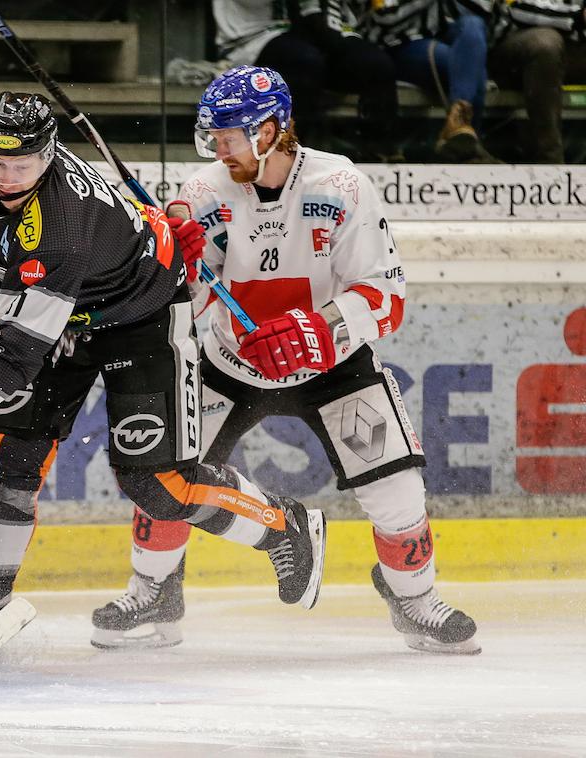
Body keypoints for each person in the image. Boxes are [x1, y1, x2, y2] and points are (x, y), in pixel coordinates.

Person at [95, 65, 480, 655]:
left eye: (229, 136)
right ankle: (155, 591)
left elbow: (387, 295)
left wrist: (315, 330)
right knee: (170, 478)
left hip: (333, 365)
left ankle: (415, 599)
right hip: (230, 361)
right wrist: (175, 265)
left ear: (272, 130)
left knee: (397, 487)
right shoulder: (201, 195)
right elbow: (186, 300)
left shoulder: (341, 185)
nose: (217, 149)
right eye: (214, 137)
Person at [0, 91, 328, 633]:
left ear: (48, 157)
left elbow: (20, 340)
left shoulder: (62, 223)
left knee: (158, 485)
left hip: (143, 315)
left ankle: (283, 524)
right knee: (13, 462)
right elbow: (5, 251)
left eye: (21, 165)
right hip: (66, 310)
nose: (7, 176)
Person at [213, 0, 401, 161]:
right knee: (305, 62)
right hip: (256, 35)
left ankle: (375, 156)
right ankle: (292, 154)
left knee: (376, 65)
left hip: (317, 29)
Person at [359, 0, 498, 162]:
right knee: (469, 65)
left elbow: (483, 15)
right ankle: (468, 148)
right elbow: (386, 17)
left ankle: (460, 128)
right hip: (394, 44)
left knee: (473, 26)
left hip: (440, 37)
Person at [459, 0, 586, 163]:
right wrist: (578, 17)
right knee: (546, 44)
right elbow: (520, 10)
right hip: (516, 43)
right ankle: (550, 162)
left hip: (573, 43)